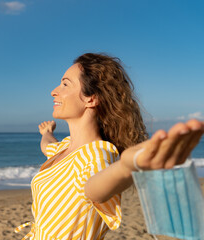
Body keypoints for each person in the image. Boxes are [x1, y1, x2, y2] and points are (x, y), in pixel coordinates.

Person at [15, 53, 204, 240]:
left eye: (65, 84)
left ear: (91, 98)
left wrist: (127, 167)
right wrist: (46, 132)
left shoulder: (97, 154)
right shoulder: (65, 148)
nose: (54, 91)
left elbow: (93, 189)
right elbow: (48, 147)